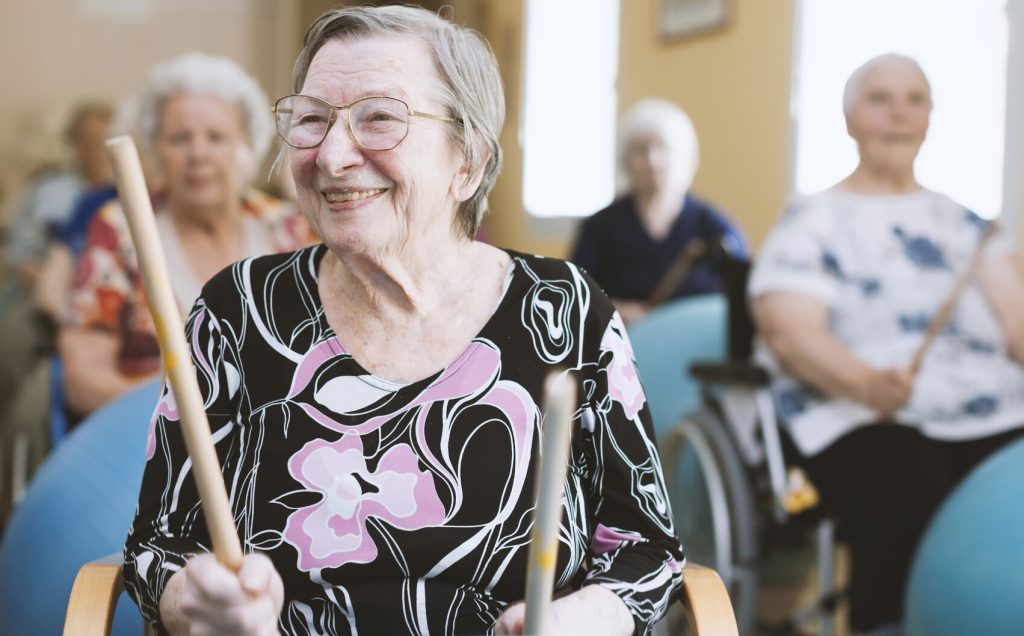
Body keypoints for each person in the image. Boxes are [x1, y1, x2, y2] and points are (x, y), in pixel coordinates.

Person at [121, 6, 684, 635]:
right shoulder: (236, 312)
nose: (332, 156)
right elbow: (157, 545)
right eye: (311, 120)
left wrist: (584, 618)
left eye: (379, 119)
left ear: (467, 160)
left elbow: (645, 548)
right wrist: (197, 602)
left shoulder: (565, 311)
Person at [749, 53, 1024, 635]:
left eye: (914, 99)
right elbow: (788, 331)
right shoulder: (814, 218)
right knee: (906, 477)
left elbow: (1018, 328)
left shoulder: (969, 227)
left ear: (930, 118)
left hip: (986, 408)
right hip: (860, 414)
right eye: (880, 99)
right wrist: (865, 383)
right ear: (849, 119)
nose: (899, 112)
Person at [59, 53, 313, 420]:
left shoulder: (291, 230)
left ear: (248, 146)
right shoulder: (120, 230)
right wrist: (194, 410)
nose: (198, 154)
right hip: (150, 438)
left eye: (216, 137)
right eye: (179, 138)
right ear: (155, 149)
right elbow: (83, 381)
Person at [570, 99, 747, 324]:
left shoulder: (715, 226)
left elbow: (743, 298)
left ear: (684, 157)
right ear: (626, 160)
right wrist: (615, 311)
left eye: (663, 147)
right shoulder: (600, 227)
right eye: (641, 150)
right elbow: (574, 296)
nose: (653, 161)